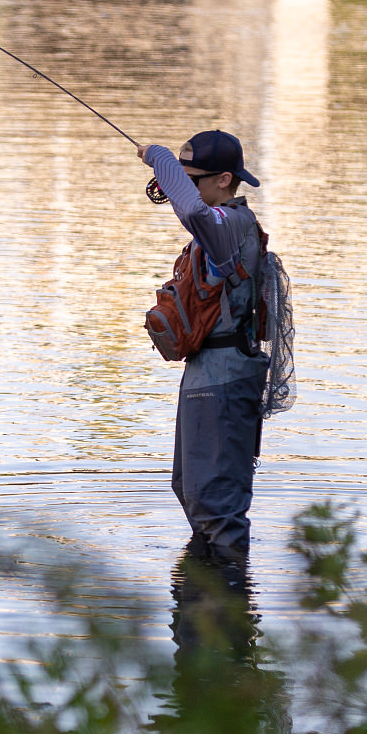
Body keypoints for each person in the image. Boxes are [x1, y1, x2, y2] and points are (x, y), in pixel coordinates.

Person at [138, 130, 270, 564]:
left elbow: (192, 211)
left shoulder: (231, 224)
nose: (180, 188)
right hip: (204, 371)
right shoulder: (216, 225)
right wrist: (166, 167)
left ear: (224, 180)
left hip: (228, 376)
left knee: (217, 501)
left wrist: (160, 158)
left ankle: (228, 601)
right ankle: (204, 600)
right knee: (189, 487)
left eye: (192, 178)